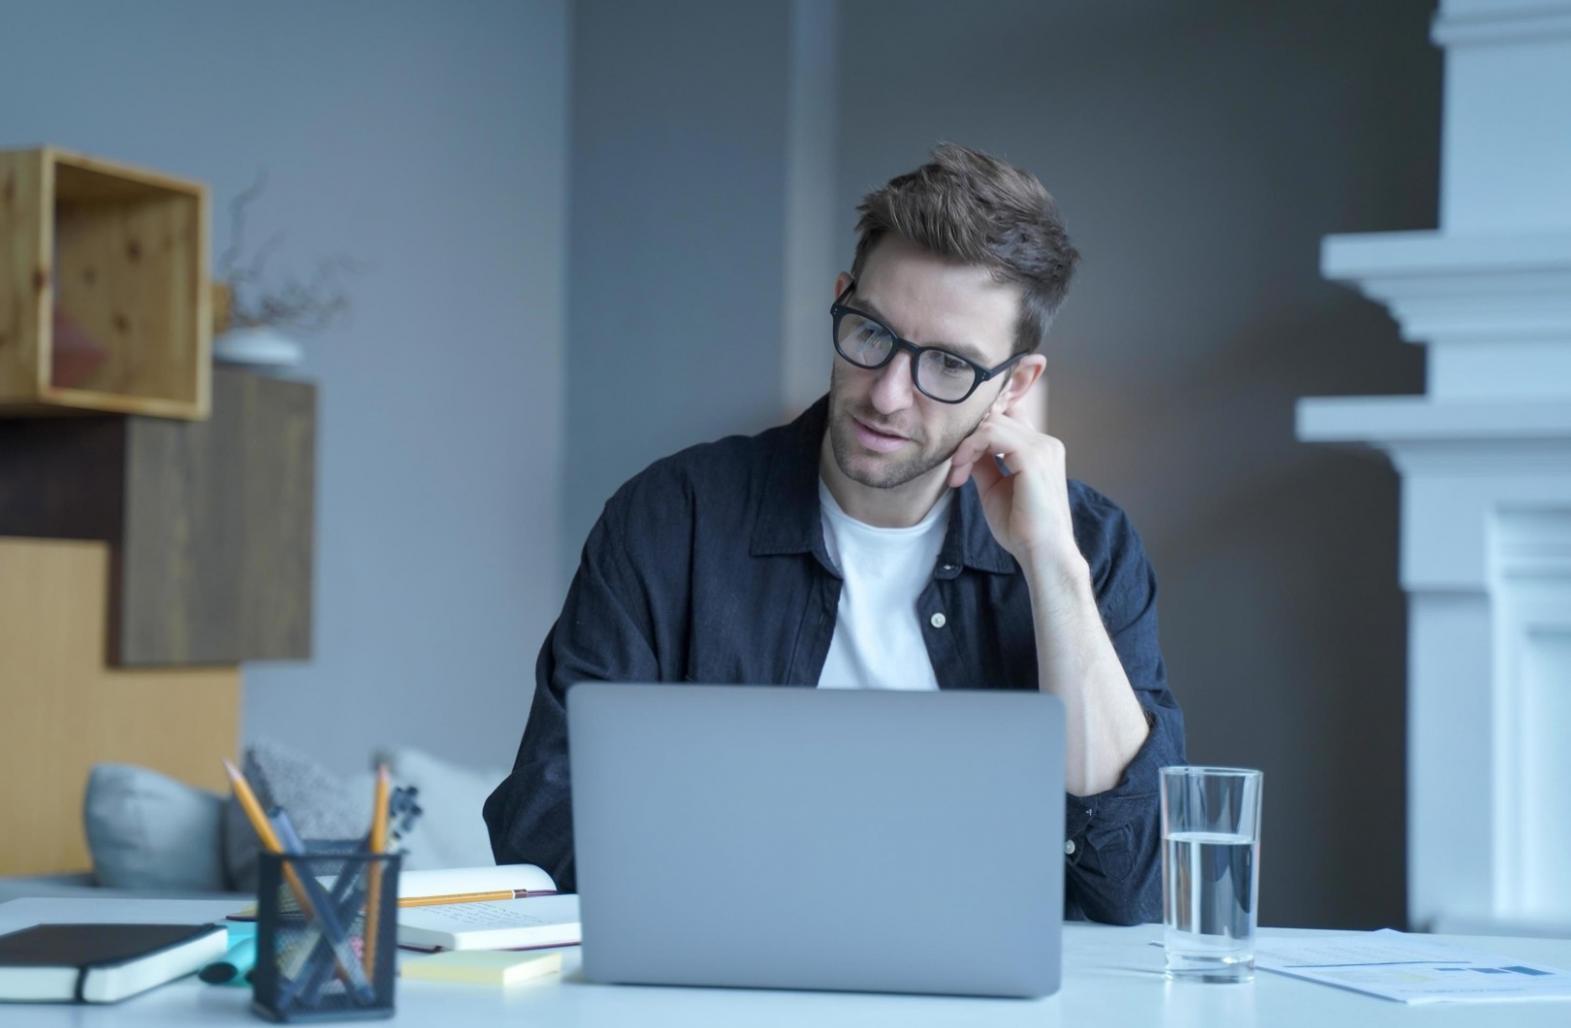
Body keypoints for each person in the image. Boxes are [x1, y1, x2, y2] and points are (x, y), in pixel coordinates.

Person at [484, 143, 1185, 925]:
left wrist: (1051, 566)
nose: (887, 394)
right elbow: (543, 835)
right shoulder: (670, 518)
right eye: (870, 333)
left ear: (1014, 386)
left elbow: (1135, 886)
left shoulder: (1089, 542)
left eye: (948, 365)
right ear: (841, 299)